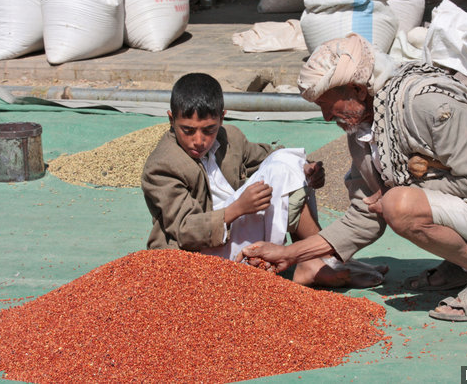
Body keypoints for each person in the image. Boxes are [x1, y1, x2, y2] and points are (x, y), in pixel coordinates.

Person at [238, 34, 467, 321]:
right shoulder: (363, 127)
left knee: (400, 204)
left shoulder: (426, 104)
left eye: (325, 104)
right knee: (396, 201)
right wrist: (289, 254)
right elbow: (365, 214)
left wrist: (399, 192)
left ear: (358, 89)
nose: (326, 117)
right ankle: (464, 265)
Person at [141, 72, 383, 287]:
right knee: (284, 168)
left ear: (222, 118)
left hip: (235, 239)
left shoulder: (228, 139)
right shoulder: (163, 165)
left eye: (209, 129)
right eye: (188, 130)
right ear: (171, 119)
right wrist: (237, 209)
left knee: (289, 164)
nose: (199, 140)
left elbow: (270, 158)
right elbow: (184, 230)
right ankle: (321, 261)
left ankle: (315, 260)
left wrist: (307, 170)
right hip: (197, 258)